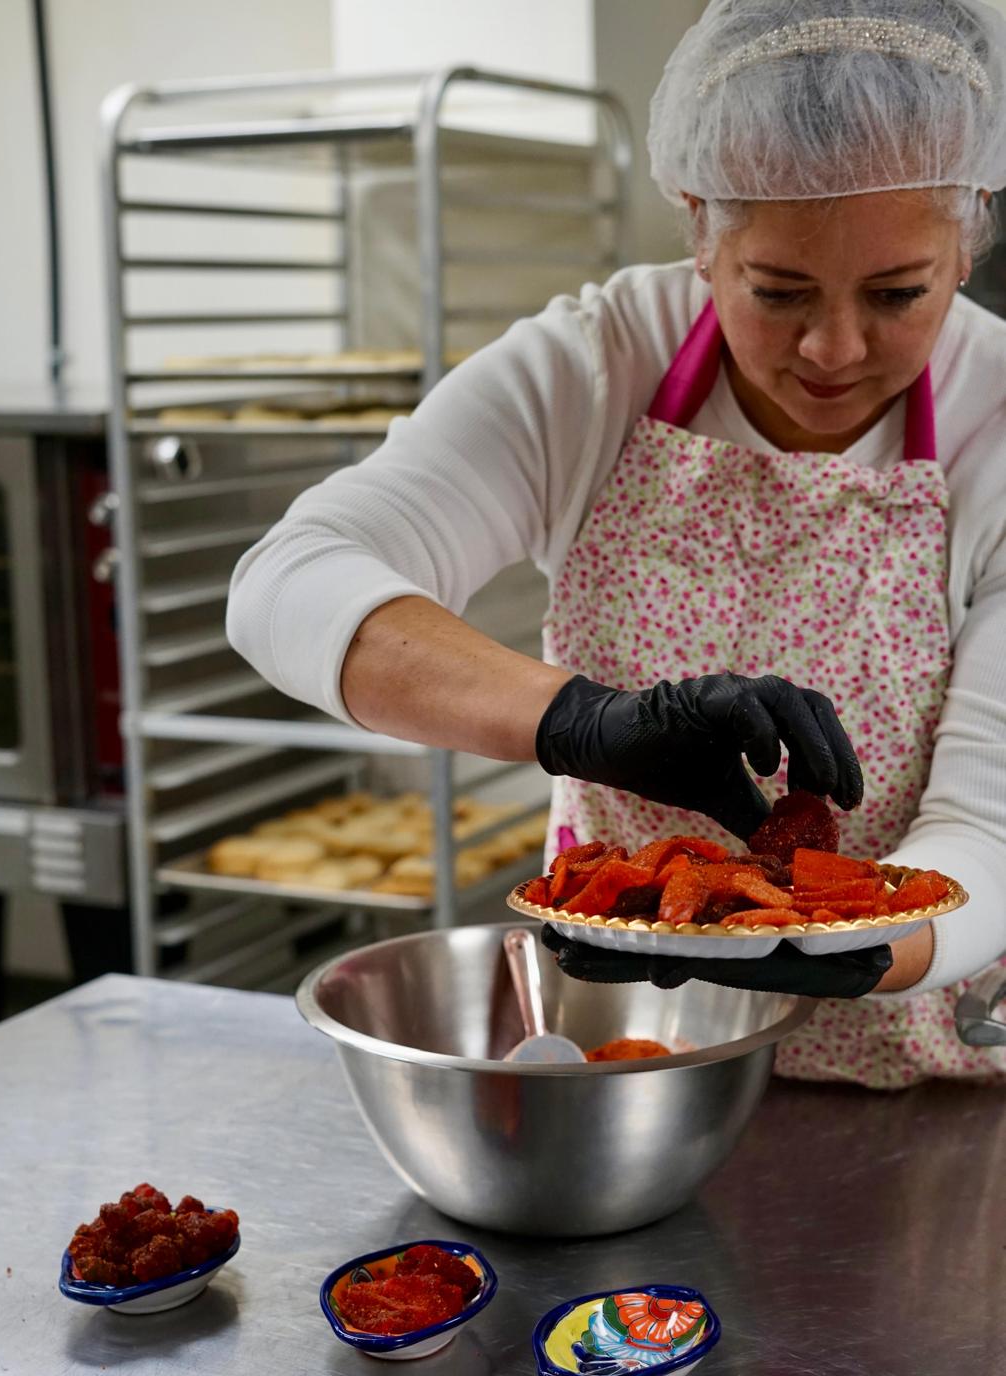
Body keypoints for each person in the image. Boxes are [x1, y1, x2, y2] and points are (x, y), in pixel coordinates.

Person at [227, 0, 1006, 1088]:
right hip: (621, 1061)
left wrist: (845, 936)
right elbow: (285, 585)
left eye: (897, 294)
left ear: (968, 232)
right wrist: (579, 720)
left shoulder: (996, 416)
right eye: (776, 291)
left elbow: (990, 825)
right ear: (699, 225)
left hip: (913, 1075)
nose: (833, 347)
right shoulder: (593, 367)